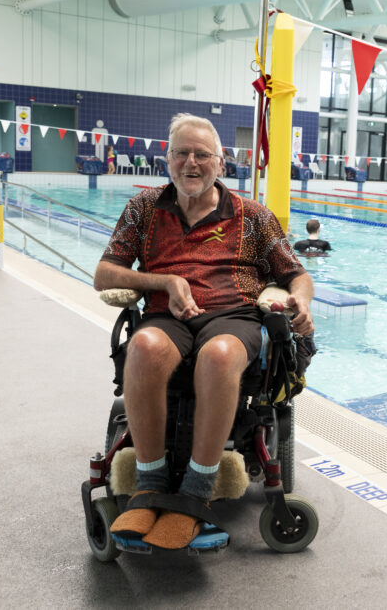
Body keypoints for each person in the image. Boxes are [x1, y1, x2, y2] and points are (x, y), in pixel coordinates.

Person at [93, 113, 313, 550]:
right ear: (167, 159)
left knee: (220, 355)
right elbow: (104, 274)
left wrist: (301, 301)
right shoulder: (144, 209)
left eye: (202, 155)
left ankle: (195, 493)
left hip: (233, 314)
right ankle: (150, 486)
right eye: (181, 153)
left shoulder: (252, 216)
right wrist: (165, 282)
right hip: (167, 315)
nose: (191, 163)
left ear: (220, 163)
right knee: (144, 347)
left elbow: (296, 274)